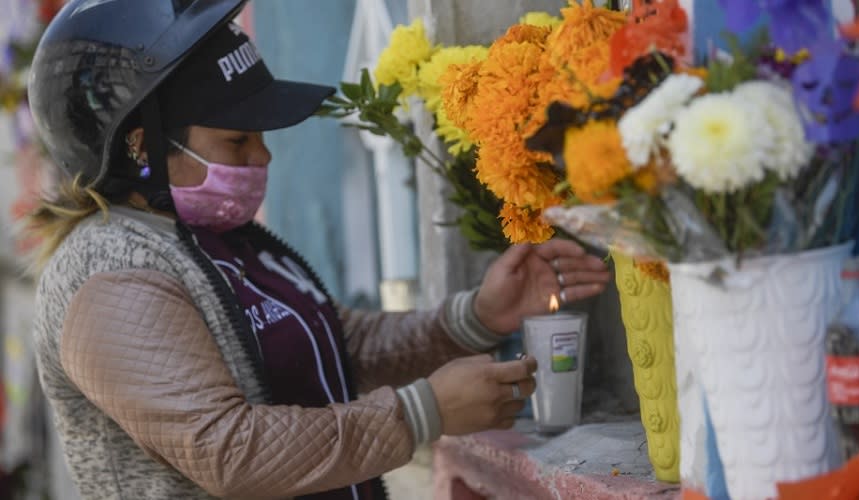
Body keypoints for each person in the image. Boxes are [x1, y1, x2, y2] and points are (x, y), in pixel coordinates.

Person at [25, 2, 611, 499]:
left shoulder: (218, 240)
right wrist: (419, 413)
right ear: (139, 145)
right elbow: (228, 450)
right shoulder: (111, 275)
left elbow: (336, 346)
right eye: (237, 140)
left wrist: (475, 316)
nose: (263, 158)